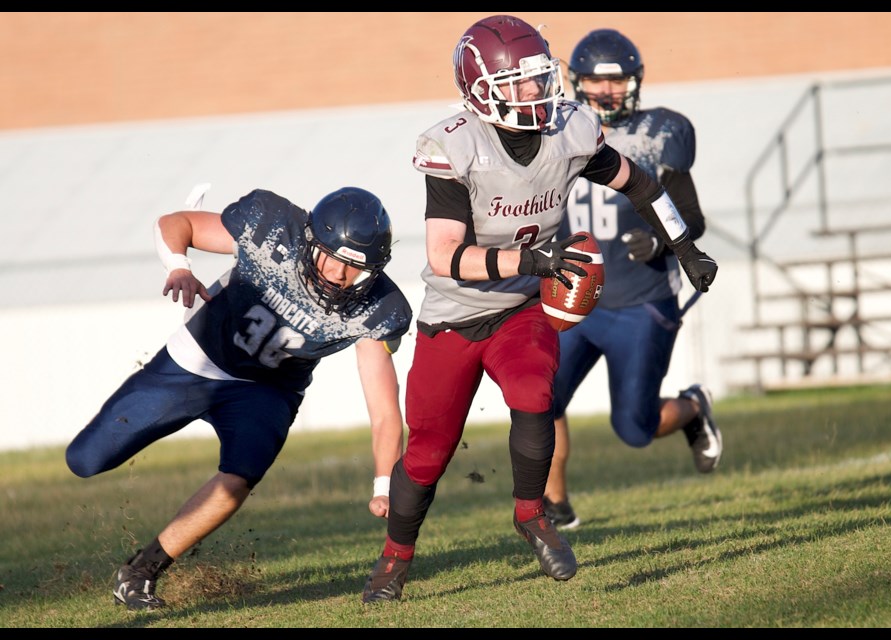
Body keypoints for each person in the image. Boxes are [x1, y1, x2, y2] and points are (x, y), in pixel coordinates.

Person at [361, 14, 718, 604]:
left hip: (522, 307)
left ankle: (532, 514)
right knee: (426, 453)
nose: (539, 90)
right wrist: (531, 259)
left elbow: (641, 184)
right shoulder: (454, 145)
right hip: (454, 313)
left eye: (539, 77)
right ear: (483, 87)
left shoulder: (570, 129)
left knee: (534, 394)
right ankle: (394, 561)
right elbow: (447, 256)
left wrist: (684, 246)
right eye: (522, 82)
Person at [66, 186, 413, 611]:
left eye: (356, 269)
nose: (341, 276)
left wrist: (383, 484)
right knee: (84, 460)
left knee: (239, 477)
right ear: (310, 242)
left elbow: (383, 408)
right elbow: (178, 223)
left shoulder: (379, 308)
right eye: (335, 259)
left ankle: (140, 572)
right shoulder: (271, 225)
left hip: (268, 390)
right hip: (197, 359)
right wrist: (178, 266)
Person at [542, 28, 723, 531]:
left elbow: (692, 216)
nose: (605, 92)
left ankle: (692, 408)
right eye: (596, 83)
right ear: (575, 83)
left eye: (617, 81)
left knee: (633, 428)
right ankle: (555, 505)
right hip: (576, 300)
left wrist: (662, 242)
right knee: (540, 399)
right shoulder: (551, 130)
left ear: (634, 82)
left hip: (640, 302)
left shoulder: (659, 134)